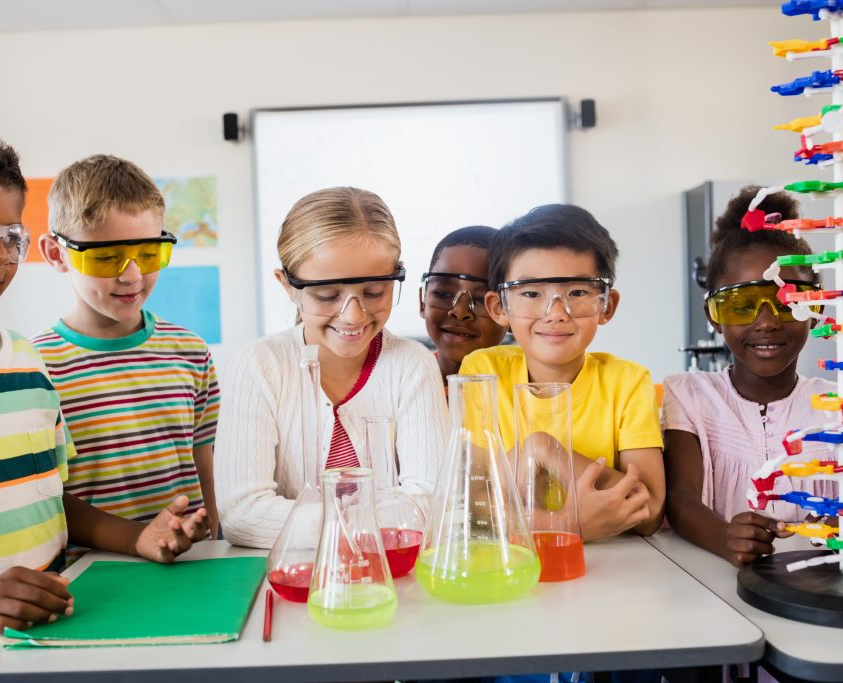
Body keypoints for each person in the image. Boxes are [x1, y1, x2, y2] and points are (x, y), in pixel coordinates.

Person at [0, 123, 206, 682]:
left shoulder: (18, 358)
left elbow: (53, 498)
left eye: (10, 236)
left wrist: (136, 534)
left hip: (51, 642)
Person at [662, 185, 843, 567]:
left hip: (825, 599)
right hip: (715, 595)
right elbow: (680, 499)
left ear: (815, 308)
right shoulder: (690, 396)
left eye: (789, 301)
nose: (766, 322)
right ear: (714, 314)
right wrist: (724, 537)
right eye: (743, 304)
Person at [215, 187, 448, 548]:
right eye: (327, 296)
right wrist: (380, 521)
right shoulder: (260, 365)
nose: (353, 315)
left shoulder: (412, 365)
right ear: (288, 286)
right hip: (290, 583)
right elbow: (242, 515)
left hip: (392, 586)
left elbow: (431, 505)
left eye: (374, 292)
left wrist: (309, 523)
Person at [33, 155, 220, 552]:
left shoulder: (190, 351)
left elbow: (204, 463)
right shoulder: (35, 367)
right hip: (94, 575)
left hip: (191, 564)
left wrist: (216, 540)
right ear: (55, 254)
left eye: (149, 253)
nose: (132, 275)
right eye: (105, 257)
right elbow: (41, 496)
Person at [460, 204, 666, 543]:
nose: (556, 313)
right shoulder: (483, 371)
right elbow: (474, 505)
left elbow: (648, 510)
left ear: (607, 305)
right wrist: (571, 524)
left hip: (617, 571)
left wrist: (546, 450)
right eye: (530, 293)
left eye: (577, 293)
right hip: (516, 567)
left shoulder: (627, 382)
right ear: (499, 308)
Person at [419, 225, 508, 386]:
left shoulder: (526, 395)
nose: (460, 312)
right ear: (422, 301)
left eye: (481, 300)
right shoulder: (399, 386)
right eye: (443, 294)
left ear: (512, 312)